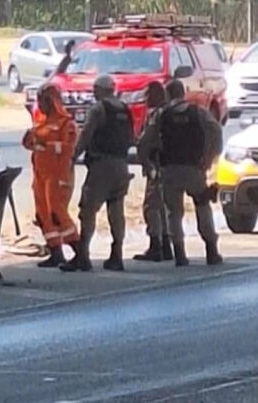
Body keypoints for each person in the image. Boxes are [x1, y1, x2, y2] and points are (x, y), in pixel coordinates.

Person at [137, 80, 223, 267]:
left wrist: (148, 164)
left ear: (168, 95)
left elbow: (144, 142)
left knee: (174, 213)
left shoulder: (161, 115)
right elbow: (216, 131)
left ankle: (180, 254)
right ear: (183, 93)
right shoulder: (198, 112)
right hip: (194, 169)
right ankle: (211, 250)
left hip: (169, 170)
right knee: (202, 205)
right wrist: (208, 158)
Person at [61, 75, 134, 272]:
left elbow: (86, 134)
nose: (93, 92)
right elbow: (131, 137)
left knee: (88, 210)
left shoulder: (99, 109)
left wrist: (74, 155)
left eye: (95, 89)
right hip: (121, 165)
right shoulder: (124, 109)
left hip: (102, 166)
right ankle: (116, 254)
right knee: (116, 211)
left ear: (101, 90)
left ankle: (83, 256)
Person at [23, 84, 80, 267]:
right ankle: (56, 252)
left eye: (44, 101)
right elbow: (33, 144)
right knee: (43, 214)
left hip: (59, 176)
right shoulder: (42, 124)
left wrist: (45, 146)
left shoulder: (67, 124)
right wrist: (29, 141)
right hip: (41, 175)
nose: (41, 105)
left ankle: (80, 253)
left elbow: (69, 149)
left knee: (58, 213)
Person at [133, 81, 173, 262]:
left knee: (151, 206)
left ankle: (156, 245)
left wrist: (146, 163)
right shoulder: (172, 113)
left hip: (157, 165)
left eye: (148, 95)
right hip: (172, 165)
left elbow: (144, 141)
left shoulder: (157, 115)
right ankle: (167, 244)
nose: (146, 99)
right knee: (164, 206)